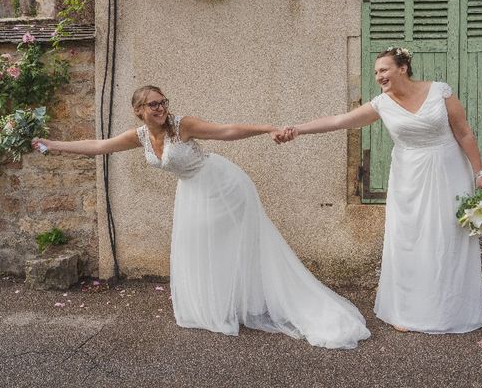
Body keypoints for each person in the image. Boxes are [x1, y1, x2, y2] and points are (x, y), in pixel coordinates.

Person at [33, 85, 370, 349]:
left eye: (163, 101)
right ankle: (220, 307)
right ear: (139, 111)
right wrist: (55, 145)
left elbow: (227, 131)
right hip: (192, 193)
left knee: (233, 246)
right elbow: (98, 146)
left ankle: (253, 303)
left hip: (223, 186)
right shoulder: (139, 137)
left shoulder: (184, 126)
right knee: (200, 249)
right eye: (153, 104)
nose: (161, 108)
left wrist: (267, 128)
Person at [279, 47, 482, 334]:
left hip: (448, 171)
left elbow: (464, 132)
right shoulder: (382, 104)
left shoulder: (440, 93)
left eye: (384, 70)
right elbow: (340, 121)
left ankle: (447, 311)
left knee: (445, 238)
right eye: (376, 72)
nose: (379, 76)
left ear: (402, 68)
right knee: (409, 241)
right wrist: (298, 129)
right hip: (408, 177)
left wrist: (480, 174)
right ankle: (409, 310)